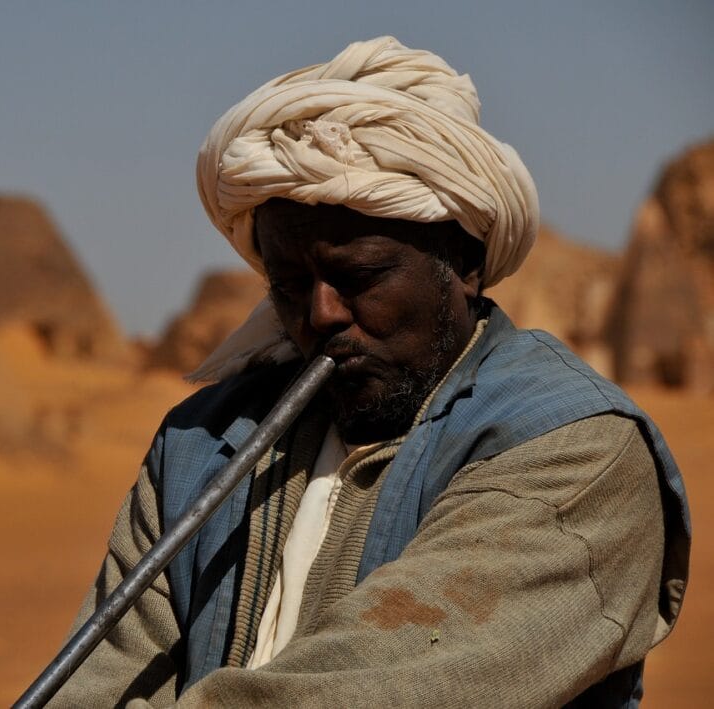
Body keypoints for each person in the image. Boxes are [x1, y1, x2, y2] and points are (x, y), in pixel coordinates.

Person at [49, 37, 690, 707]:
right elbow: (99, 682)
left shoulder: (577, 450)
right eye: (289, 284)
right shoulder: (200, 449)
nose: (320, 313)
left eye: (360, 276)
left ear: (466, 264)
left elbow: (387, 681)